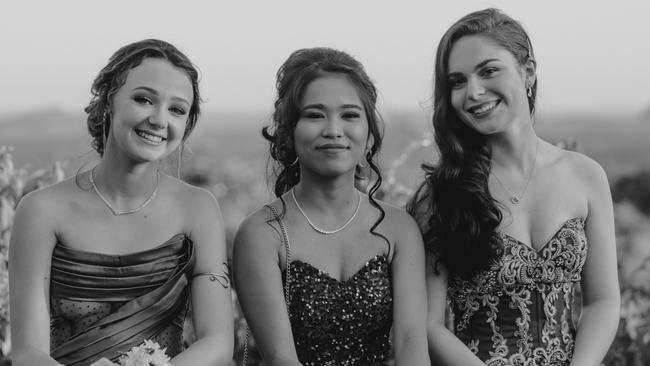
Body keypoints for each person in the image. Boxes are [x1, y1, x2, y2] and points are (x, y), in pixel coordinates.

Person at [408, 8, 620, 366]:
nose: (473, 92)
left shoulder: (586, 175)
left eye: (488, 71)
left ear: (528, 72)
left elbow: (603, 301)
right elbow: (428, 326)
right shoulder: (441, 195)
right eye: (457, 81)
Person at [9, 39, 233, 366]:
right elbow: (27, 353)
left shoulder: (198, 209)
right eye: (144, 99)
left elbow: (217, 343)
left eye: (176, 110)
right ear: (109, 101)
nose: (159, 119)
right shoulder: (41, 210)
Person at [233, 47, 429, 366]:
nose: (333, 130)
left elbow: (412, 344)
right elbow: (281, 358)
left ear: (369, 136)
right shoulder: (262, 234)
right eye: (314, 115)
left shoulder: (398, 229)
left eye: (350, 115)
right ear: (288, 131)